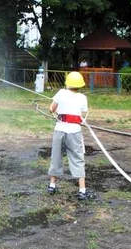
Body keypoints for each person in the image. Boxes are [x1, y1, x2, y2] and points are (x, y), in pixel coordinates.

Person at [47, 71, 91, 200]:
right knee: (78, 158)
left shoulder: (61, 93)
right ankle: (82, 190)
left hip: (60, 130)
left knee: (56, 157)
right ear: (80, 85)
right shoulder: (83, 98)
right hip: (75, 132)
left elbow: (51, 108)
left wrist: (57, 111)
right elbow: (82, 115)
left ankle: (52, 185)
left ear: (67, 83)